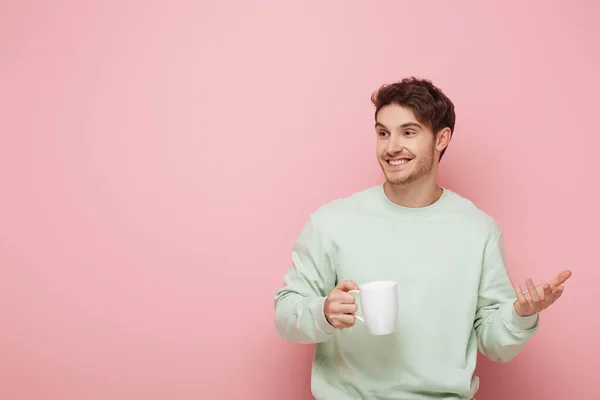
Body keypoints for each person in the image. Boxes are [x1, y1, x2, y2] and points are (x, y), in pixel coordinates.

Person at [273, 77, 572, 400]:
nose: (391, 147)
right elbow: (285, 312)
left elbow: (494, 343)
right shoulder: (331, 223)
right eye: (383, 132)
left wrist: (521, 315)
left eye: (408, 132)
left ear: (441, 138)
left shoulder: (478, 230)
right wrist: (324, 312)